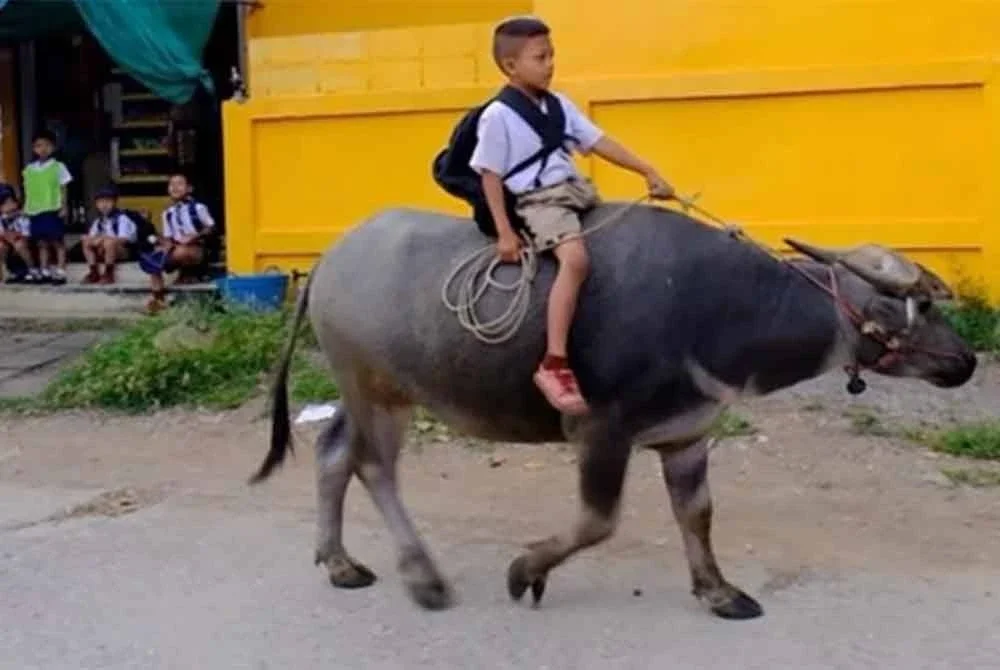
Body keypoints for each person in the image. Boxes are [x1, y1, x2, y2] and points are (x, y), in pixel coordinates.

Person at [469, 15, 675, 415]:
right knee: (576, 260)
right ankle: (554, 363)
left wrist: (647, 171)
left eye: (551, 56)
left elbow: (599, 142)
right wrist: (505, 232)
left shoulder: (559, 106)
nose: (550, 64)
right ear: (511, 66)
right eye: (540, 57)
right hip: (540, 202)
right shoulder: (497, 115)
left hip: (575, 191)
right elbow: (489, 175)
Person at [143, 172, 215, 314]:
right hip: (177, 249)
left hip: (197, 248)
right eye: (172, 184)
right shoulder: (167, 213)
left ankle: (188, 273)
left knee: (182, 251)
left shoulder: (198, 208)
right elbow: (169, 238)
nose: (175, 187)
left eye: (179, 184)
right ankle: (158, 298)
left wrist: (194, 236)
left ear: (189, 188)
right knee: (153, 261)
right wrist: (161, 244)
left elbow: (211, 228)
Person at [22, 129, 73, 285]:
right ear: (33, 148)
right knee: (41, 242)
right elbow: (27, 190)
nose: (43, 149)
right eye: (38, 146)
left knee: (57, 241)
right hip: (35, 211)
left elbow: (63, 187)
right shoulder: (29, 169)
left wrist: (64, 206)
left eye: (47, 145)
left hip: (52, 209)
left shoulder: (58, 166)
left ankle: (61, 271)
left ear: (53, 147)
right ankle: (45, 270)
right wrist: (26, 208)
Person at [81, 185, 138, 285]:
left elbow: (123, 240)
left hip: (123, 251)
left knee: (109, 242)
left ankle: (109, 273)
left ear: (114, 203)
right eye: (100, 202)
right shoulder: (98, 221)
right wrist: (93, 240)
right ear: (96, 204)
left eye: (108, 201)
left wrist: (103, 239)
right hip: (103, 250)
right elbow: (92, 237)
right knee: (86, 239)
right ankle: (94, 272)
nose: (104, 205)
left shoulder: (121, 218)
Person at [0, 185, 34, 284]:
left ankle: (32, 270)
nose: (8, 205)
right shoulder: (2, 218)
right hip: (9, 242)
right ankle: (5, 272)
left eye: (10, 202)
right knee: (1, 246)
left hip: (23, 243)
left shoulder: (22, 216)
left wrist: (14, 239)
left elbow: (27, 234)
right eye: (5, 203)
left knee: (19, 245)